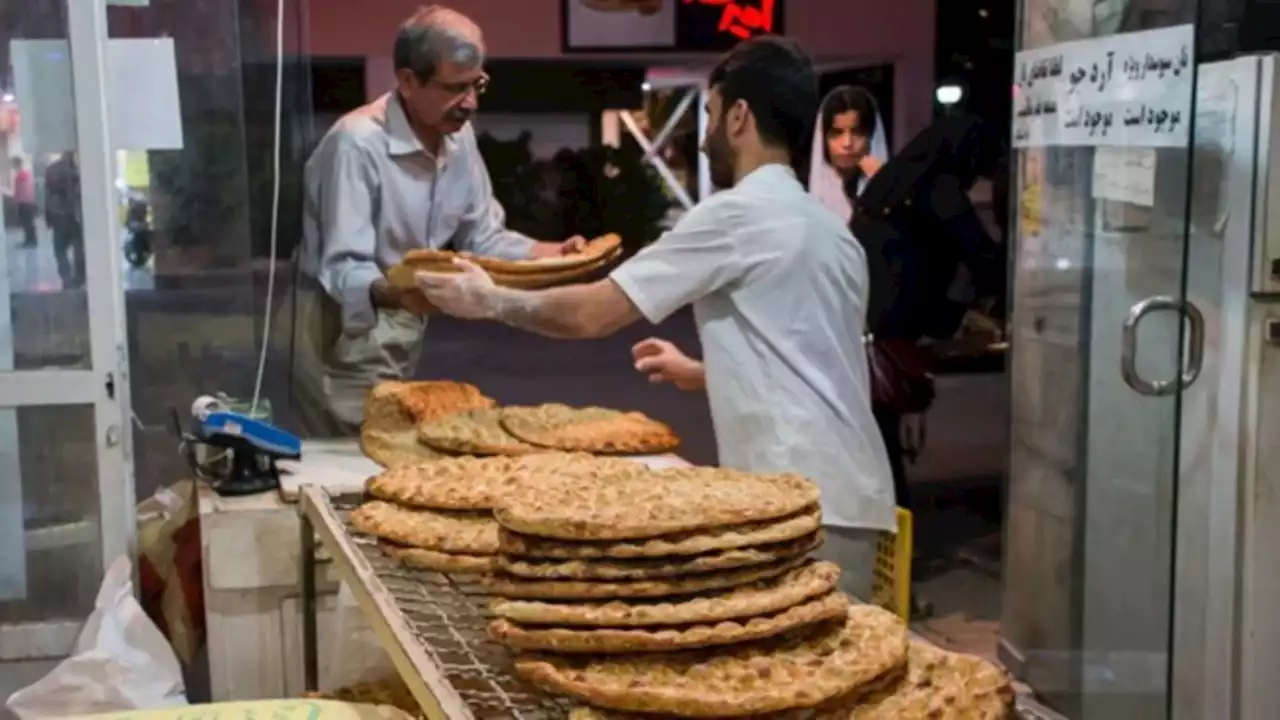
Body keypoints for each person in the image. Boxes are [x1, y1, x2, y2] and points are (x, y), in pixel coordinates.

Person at [414, 36, 896, 599]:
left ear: (739, 117)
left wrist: (491, 299)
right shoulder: (831, 230)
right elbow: (816, 356)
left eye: (711, 116)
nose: (707, 133)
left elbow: (593, 313)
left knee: (785, 673)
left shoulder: (737, 214)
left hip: (795, 501)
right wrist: (703, 371)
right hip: (856, 497)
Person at [293, 5, 585, 436]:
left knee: (390, 449)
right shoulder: (357, 144)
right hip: (341, 330)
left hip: (404, 319)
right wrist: (407, 293)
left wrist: (552, 255)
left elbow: (482, 236)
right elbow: (343, 267)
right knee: (354, 462)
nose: (470, 103)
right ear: (408, 82)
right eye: (454, 88)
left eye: (477, 85)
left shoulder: (457, 136)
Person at [849, 112, 1006, 510]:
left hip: (862, 317)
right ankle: (892, 529)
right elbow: (980, 252)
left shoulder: (892, 180)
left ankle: (885, 523)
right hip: (895, 324)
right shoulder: (940, 185)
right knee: (884, 433)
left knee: (877, 435)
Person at [807, 85, 889, 223]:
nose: (847, 143)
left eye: (857, 132)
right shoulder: (804, 194)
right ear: (823, 138)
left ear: (871, 136)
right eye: (837, 133)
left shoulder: (895, 189)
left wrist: (884, 184)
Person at [44, 153, 83, 289]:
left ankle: (66, 278)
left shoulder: (52, 169)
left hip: (59, 215)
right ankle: (80, 277)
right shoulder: (79, 170)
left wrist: (48, 218)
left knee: (60, 250)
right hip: (75, 215)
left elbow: (48, 196)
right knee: (78, 247)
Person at [12, 158, 37, 248]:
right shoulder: (28, 174)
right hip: (30, 201)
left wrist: (16, 199)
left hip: (24, 202)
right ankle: (31, 240)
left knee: (27, 223)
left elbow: (20, 190)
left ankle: (30, 241)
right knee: (29, 223)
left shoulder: (20, 176)